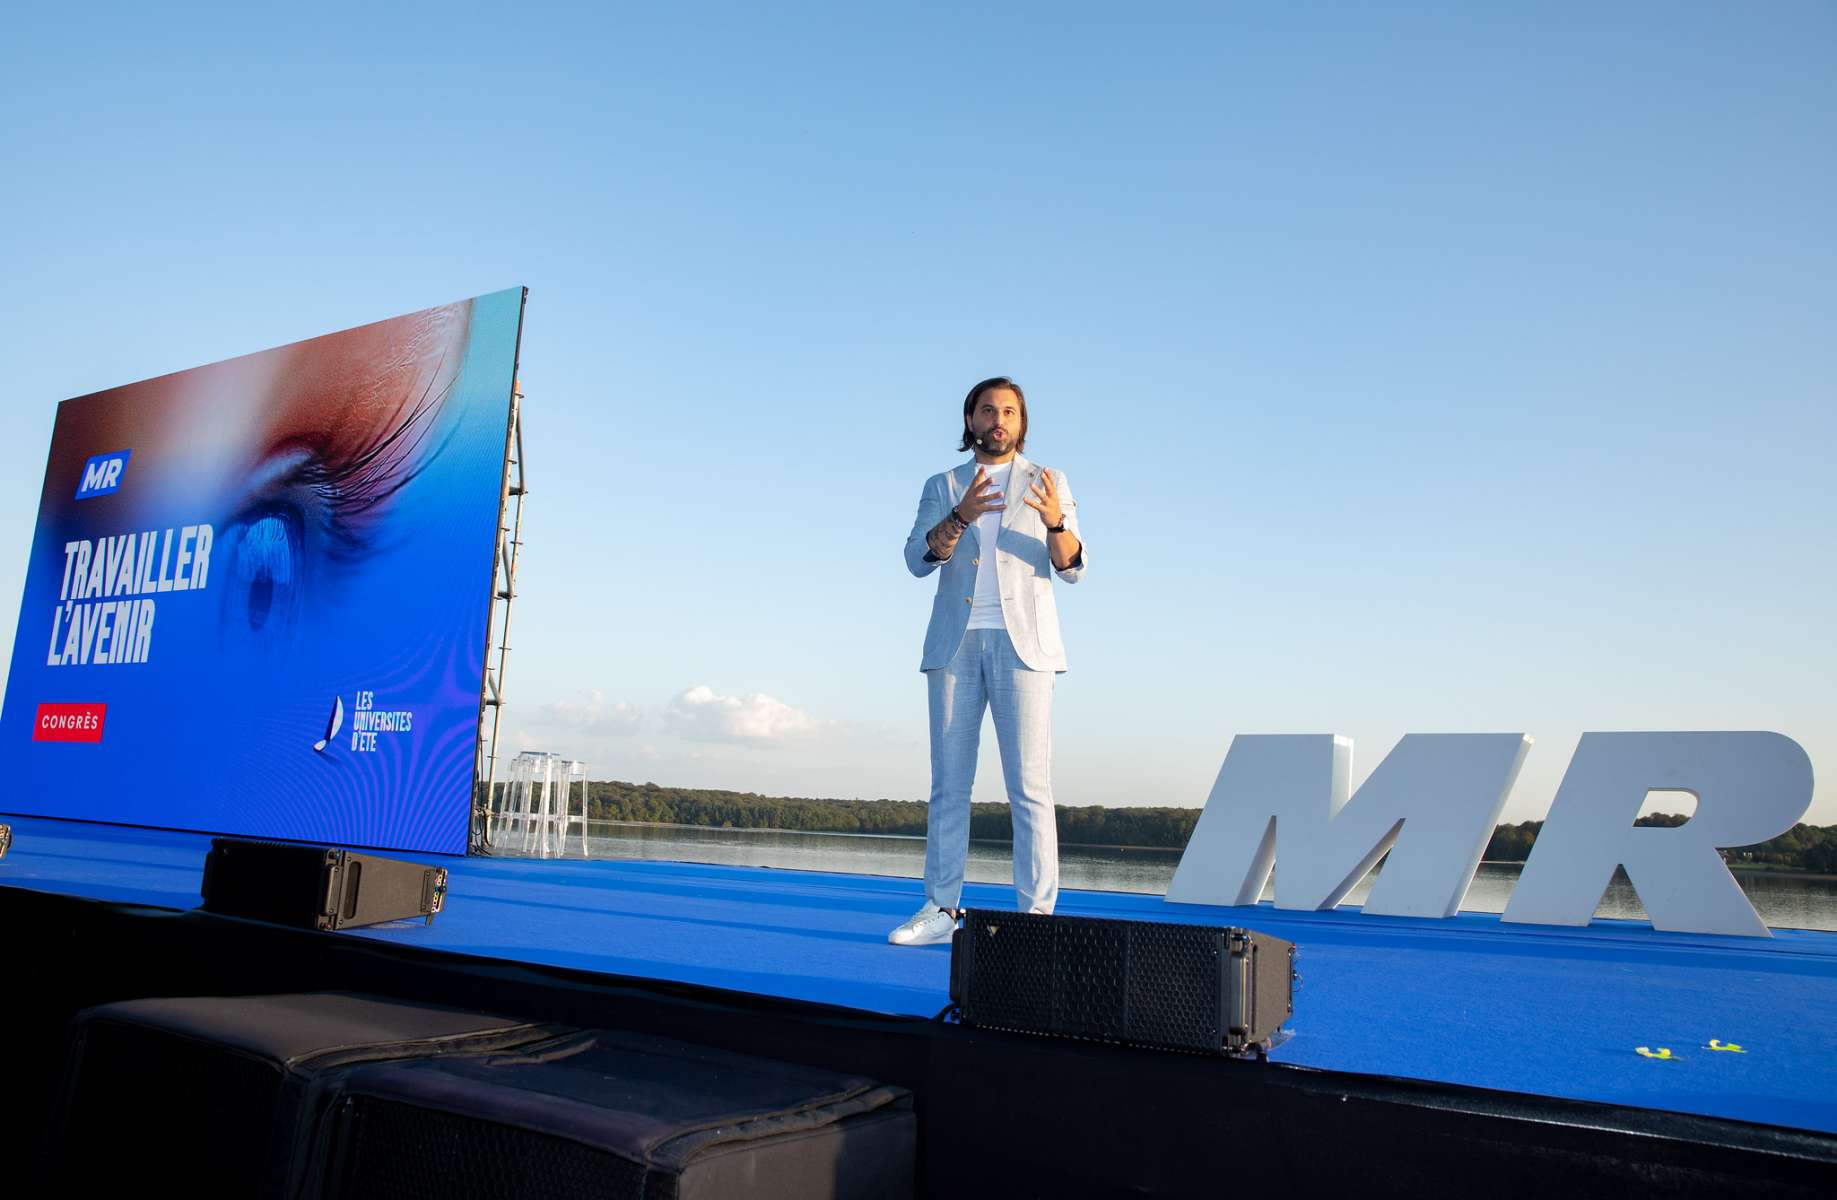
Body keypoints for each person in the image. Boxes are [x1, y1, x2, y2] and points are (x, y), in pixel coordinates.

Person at [889, 377, 1087, 946]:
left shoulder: (1050, 481)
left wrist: (1055, 520)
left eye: (1008, 411)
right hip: (955, 645)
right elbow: (916, 560)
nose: (997, 419)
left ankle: (1036, 920)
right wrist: (959, 515)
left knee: (1030, 786)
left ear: (1021, 423)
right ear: (969, 420)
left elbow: (1072, 566)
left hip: (1024, 648)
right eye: (986, 410)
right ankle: (940, 911)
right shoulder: (944, 483)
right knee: (949, 785)